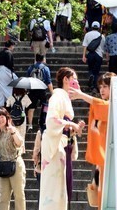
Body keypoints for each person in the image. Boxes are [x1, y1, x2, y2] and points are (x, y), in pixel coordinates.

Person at [35, 68, 84, 210]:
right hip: (55, 146)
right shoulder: (57, 96)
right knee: (53, 189)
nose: (77, 82)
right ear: (66, 79)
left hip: (61, 145)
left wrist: (75, 128)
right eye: (74, 78)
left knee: (60, 189)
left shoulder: (63, 97)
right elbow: (51, 121)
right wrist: (71, 124)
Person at [69, 72, 112, 208]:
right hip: (103, 158)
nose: (102, 89)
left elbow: (103, 106)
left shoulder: (115, 105)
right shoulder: (104, 104)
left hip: (112, 157)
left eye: (106, 86)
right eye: (101, 86)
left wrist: (81, 95)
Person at [0, 106, 25, 210]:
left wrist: (13, 131)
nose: (0, 120)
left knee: (19, 195)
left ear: (7, 118)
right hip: (2, 167)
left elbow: (19, 143)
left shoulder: (12, 130)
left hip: (15, 165)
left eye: (2, 117)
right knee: (3, 198)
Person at [26, 55, 52, 129]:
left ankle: (30, 124)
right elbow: (49, 81)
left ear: (36, 59)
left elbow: (27, 79)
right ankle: (42, 121)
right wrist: (52, 93)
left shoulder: (31, 68)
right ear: (43, 59)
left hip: (32, 90)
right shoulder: (45, 68)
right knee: (45, 106)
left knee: (31, 107)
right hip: (42, 89)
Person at [81, 22, 104, 92]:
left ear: (92, 27)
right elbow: (103, 47)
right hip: (99, 55)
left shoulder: (87, 34)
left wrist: (84, 56)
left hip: (90, 54)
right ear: (99, 27)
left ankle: (91, 75)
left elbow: (85, 46)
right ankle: (94, 87)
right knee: (96, 72)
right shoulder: (101, 36)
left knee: (90, 68)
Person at [0, 40, 17, 108]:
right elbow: (10, 64)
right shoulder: (9, 53)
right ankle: (15, 106)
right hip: (6, 72)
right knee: (8, 91)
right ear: (11, 46)